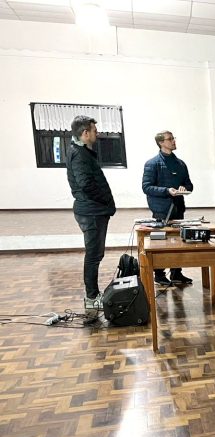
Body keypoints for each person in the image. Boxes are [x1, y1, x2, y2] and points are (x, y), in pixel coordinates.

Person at [67, 115, 116, 317]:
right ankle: (91, 297)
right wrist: (105, 200)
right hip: (91, 211)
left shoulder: (82, 151)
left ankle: (92, 295)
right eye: (95, 130)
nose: (98, 133)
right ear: (85, 133)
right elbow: (86, 185)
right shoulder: (79, 155)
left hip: (94, 210)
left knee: (95, 254)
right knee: (93, 255)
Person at [142, 131, 195, 286]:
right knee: (160, 242)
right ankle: (159, 275)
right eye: (170, 139)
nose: (173, 141)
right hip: (161, 209)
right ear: (161, 143)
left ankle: (176, 273)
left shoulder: (180, 164)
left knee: (179, 241)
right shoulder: (152, 163)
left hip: (178, 208)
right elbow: (146, 187)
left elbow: (189, 184)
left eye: (173, 138)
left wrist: (184, 188)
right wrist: (166, 191)